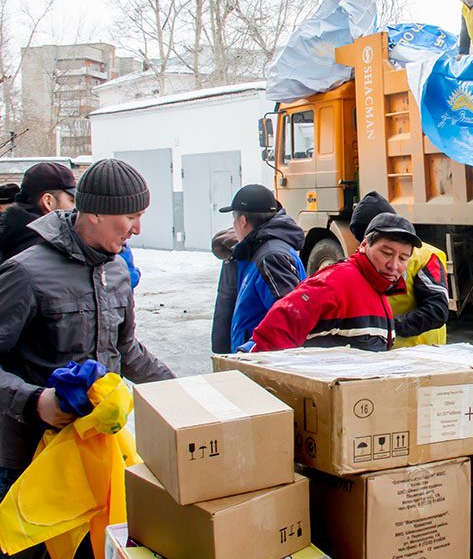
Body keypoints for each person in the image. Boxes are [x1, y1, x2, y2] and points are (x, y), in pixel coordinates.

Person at [0, 159, 175, 551]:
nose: (138, 228)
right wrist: (35, 401)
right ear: (93, 212)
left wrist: (185, 394)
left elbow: (127, 351)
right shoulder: (26, 272)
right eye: (131, 216)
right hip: (31, 460)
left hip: (95, 455)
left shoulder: (115, 272)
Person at [247, 213, 422, 352]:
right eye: (386, 253)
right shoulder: (336, 281)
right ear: (364, 245)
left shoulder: (379, 289)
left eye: (403, 258)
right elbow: (274, 332)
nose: (394, 265)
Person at [211, 184, 306, 354]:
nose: (233, 226)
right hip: (254, 358)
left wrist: (248, 350)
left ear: (242, 221)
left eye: (234, 219)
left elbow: (291, 319)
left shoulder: (271, 257)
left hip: (262, 361)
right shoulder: (257, 250)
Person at [349, 191, 449, 347]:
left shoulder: (426, 257)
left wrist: (388, 327)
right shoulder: (359, 260)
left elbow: (436, 311)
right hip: (381, 354)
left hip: (422, 354)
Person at [0, 162, 77, 262]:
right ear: (48, 201)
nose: (76, 209)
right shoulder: (44, 250)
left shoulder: (16, 235)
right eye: (72, 201)